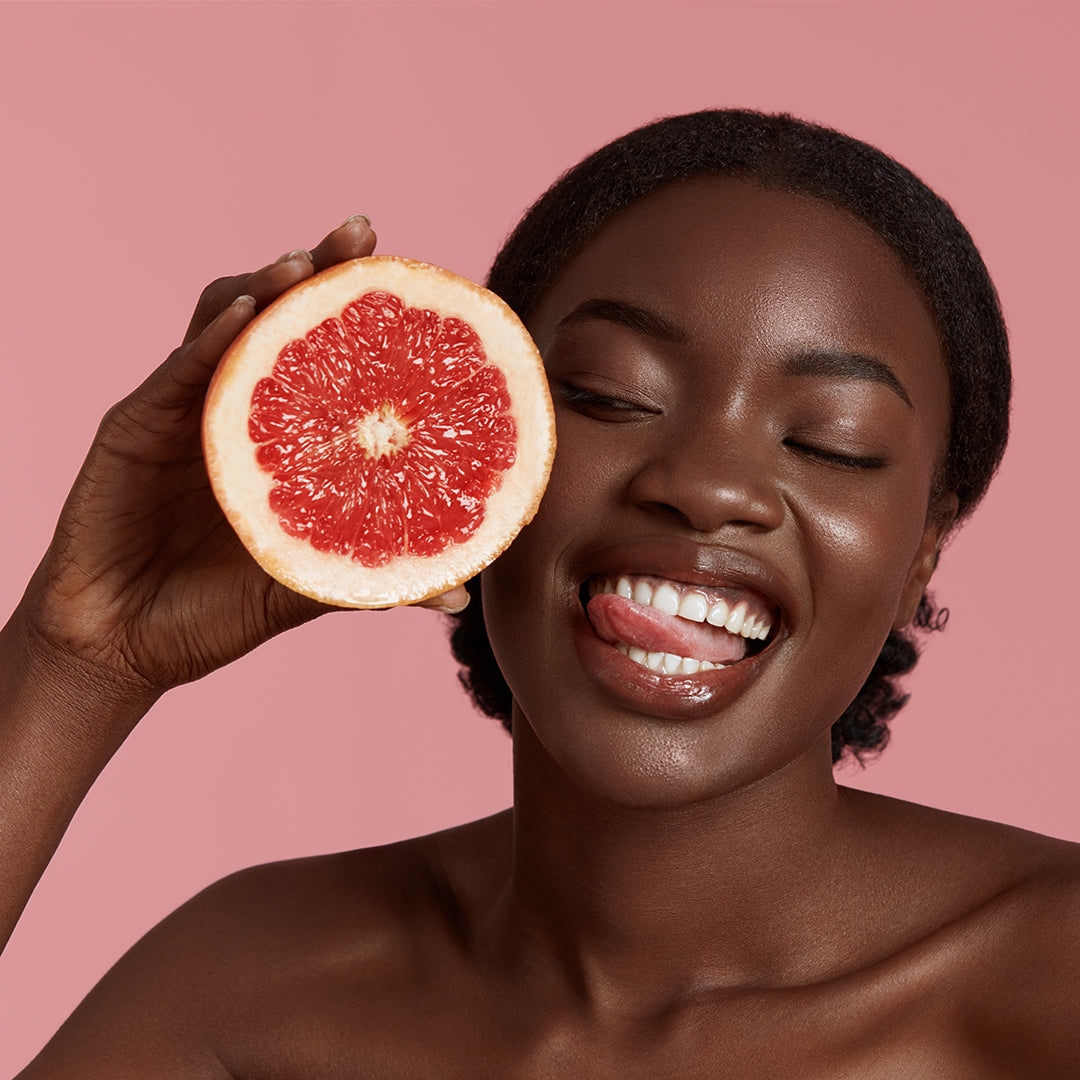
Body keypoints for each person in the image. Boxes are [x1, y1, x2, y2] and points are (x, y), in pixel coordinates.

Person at [2, 110, 1077, 1076]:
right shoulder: (256, 987)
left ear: (921, 558)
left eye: (829, 443)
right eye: (612, 396)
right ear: (479, 447)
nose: (704, 486)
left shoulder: (1043, 983)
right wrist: (77, 658)